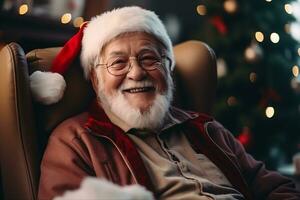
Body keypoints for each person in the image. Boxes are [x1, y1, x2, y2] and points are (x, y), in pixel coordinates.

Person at [31, 6, 300, 200]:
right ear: (94, 78)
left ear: (168, 69)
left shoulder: (206, 128)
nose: (136, 73)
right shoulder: (75, 140)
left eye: (149, 58)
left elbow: (274, 186)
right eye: (118, 63)